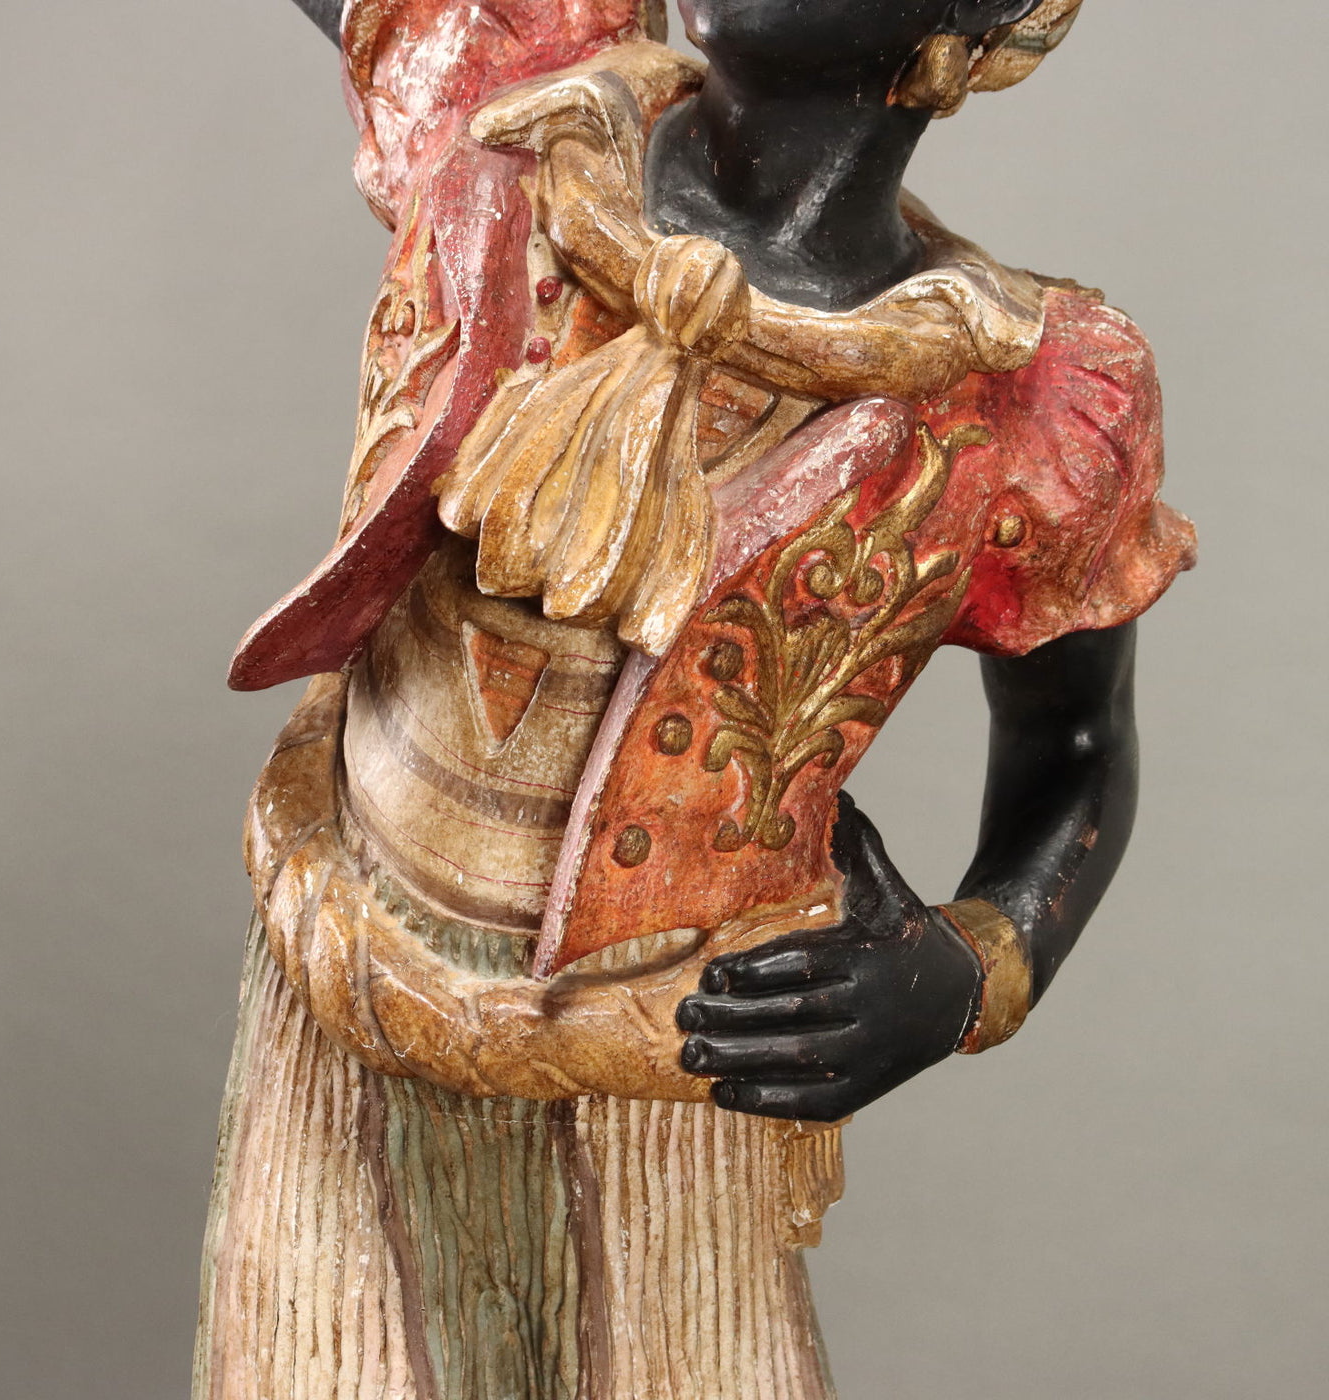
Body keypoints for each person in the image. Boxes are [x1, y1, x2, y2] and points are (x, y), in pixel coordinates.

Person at [195, 4, 1195, 1396]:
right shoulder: (516, 128)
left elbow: (1076, 743)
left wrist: (970, 971)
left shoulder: (1014, 406)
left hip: (678, 1080)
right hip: (341, 1011)